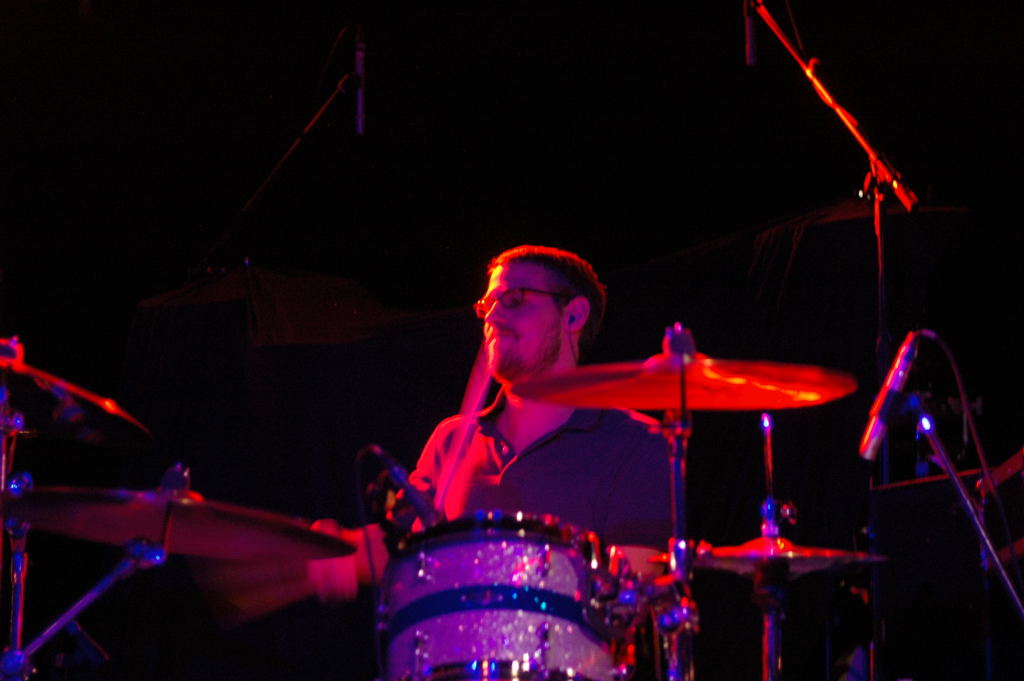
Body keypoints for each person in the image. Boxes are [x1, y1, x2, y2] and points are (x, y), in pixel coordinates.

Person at [309, 244, 672, 600]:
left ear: (573, 316)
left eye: (514, 300)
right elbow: (399, 545)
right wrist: (318, 554)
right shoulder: (453, 438)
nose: (492, 318)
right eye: (488, 305)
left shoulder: (637, 441)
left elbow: (632, 583)